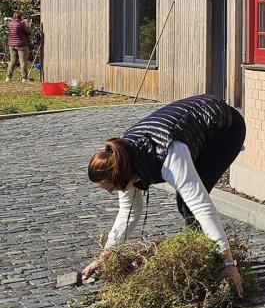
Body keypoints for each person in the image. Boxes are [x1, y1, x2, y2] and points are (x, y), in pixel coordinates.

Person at [83, 94, 247, 296]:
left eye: (110, 188)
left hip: (225, 130)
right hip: (188, 130)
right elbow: (128, 213)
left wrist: (229, 263)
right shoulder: (123, 159)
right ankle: (208, 254)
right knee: (186, 203)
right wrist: (105, 257)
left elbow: (202, 206)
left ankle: (213, 260)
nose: (110, 193)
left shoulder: (169, 157)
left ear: (120, 177)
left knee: (188, 205)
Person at [5, 9, 31, 82]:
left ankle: (8, 77)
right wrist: (27, 25)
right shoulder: (20, 24)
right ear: (20, 17)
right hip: (21, 45)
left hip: (11, 45)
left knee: (12, 61)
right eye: (22, 16)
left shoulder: (10, 24)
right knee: (23, 62)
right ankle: (24, 78)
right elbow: (28, 32)